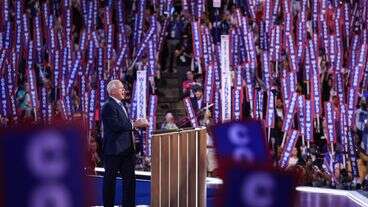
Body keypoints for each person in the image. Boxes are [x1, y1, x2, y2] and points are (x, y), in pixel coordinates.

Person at [101, 80, 148, 207]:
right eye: (121, 88)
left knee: (129, 182)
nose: (124, 90)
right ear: (113, 91)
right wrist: (135, 124)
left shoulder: (122, 105)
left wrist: (136, 124)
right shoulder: (108, 106)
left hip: (126, 151)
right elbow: (115, 126)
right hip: (114, 151)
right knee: (110, 182)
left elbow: (124, 125)